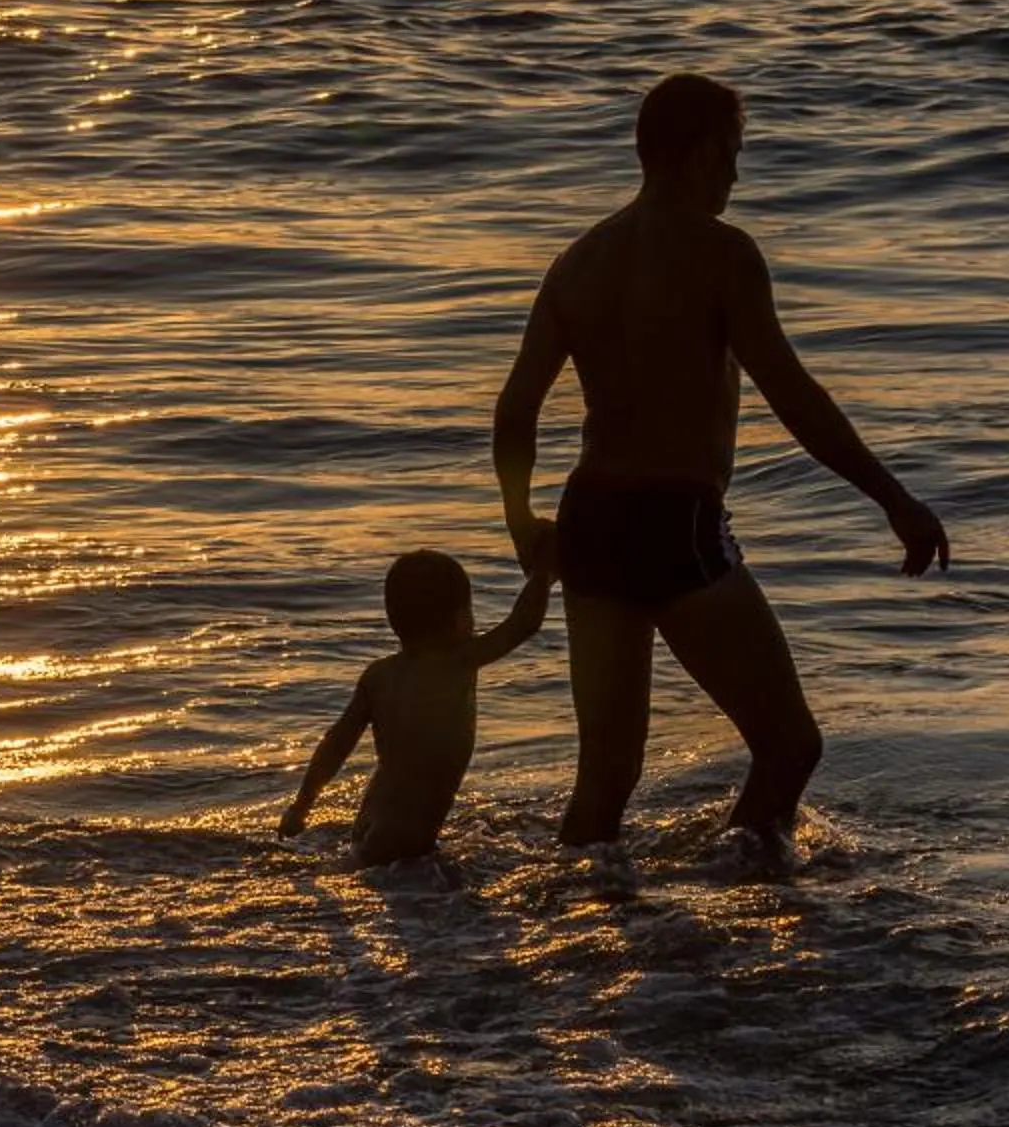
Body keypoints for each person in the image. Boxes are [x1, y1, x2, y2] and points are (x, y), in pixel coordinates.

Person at [493, 73, 949, 855]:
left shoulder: (577, 262)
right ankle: (743, 902)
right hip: (677, 525)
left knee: (605, 776)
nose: (735, 177)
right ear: (697, 152)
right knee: (790, 745)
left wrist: (519, 525)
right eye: (731, 156)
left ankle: (570, 928)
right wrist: (893, 498)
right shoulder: (723, 254)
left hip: (591, 521)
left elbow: (514, 412)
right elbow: (792, 394)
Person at [279, 545, 554, 863]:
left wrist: (301, 807)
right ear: (458, 619)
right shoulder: (459, 662)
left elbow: (337, 743)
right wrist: (541, 572)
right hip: (406, 842)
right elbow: (523, 624)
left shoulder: (378, 676)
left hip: (368, 827)